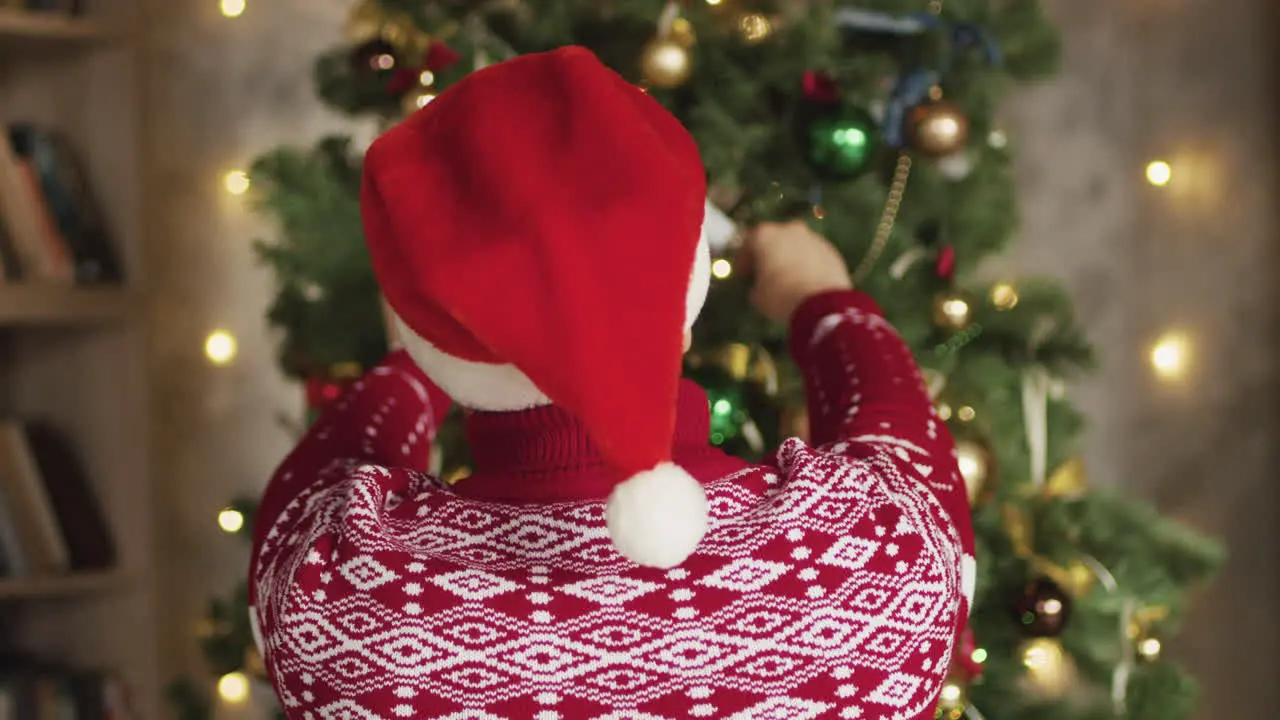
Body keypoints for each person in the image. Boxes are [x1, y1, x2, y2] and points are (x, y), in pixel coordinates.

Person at [250, 46, 974, 720]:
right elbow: (903, 440)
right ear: (684, 304)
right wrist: (824, 303)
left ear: (436, 339)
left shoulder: (333, 614)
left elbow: (327, 468)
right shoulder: (877, 581)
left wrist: (422, 352)